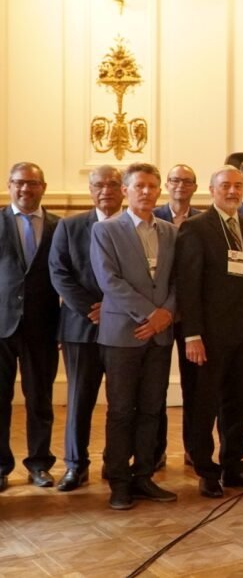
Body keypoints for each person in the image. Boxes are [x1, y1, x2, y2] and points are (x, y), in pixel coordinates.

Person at [176, 166, 243, 498]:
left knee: (239, 403)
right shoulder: (196, 228)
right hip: (208, 337)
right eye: (226, 186)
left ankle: (233, 464)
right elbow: (188, 286)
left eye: (237, 186)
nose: (233, 191)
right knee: (204, 404)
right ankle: (205, 469)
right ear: (212, 190)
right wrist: (192, 335)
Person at [90, 163, 178, 510]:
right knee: (122, 410)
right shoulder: (107, 231)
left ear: (160, 191)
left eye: (152, 186)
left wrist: (165, 316)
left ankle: (143, 476)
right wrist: (150, 314)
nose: (146, 192)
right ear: (125, 190)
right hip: (122, 333)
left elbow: (175, 281)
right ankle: (119, 482)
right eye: (139, 186)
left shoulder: (171, 232)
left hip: (159, 335)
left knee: (152, 409)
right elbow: (108, 280)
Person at [48, 166, 123, 492]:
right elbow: (59, 272)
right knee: (79, 399)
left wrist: (115, 309)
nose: (105, 190)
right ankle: (76, 466)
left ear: (123, 189)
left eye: (112, 184)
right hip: (81, 328)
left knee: (121, 402)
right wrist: (93, 308)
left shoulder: (131, 225)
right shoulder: (69, 226)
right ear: (91, 191)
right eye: (99, 185)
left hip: (123, 328)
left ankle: (116, 462)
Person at [0, 162, 60, 492]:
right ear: (10, 185)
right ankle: (0, 466)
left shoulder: (58, 226)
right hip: (1, 327)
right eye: (20, 183)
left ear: (43, 187)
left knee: (40, 399)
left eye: (33, 184)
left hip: (43, 327)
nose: (26, 189)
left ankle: (39, 464)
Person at [153, 164, 202, 468]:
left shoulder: (203, 221)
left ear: (195, 187)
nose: (180, 185)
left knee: (194, 387)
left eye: (187, 181)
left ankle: (194, 449)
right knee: (155, 386)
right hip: (157, 314)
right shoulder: (152, 216)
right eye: (175, 180)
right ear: (166, 185)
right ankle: (155, 451)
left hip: (192, 317)